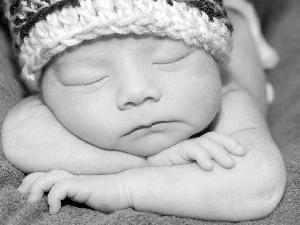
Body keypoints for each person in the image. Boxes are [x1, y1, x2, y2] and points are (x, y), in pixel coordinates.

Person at [1, 0, 286, 221]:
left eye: (168, 60)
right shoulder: (46, 105)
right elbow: (20, 137)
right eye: (88, 78)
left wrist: (123, 188)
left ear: (214, 61)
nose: (136, 92)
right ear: (42, 94)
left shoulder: (228, 93)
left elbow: (259, 185)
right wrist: (156, 162)